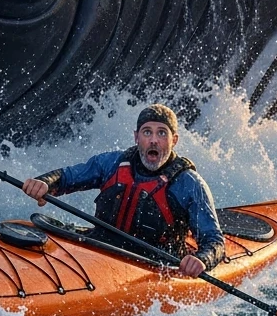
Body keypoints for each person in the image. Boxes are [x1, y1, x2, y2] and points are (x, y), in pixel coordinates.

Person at [21, 104, 224, 277]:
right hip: (101, 248)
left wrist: (201, 260)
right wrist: (45, 183)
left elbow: (214, 241)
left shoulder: (189, 183)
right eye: (147, 132)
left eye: (162, 133)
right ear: (137, 137)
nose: (154, 140)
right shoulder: (113, 163)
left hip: (153, 263)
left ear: (174, 140)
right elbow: (67, 177)